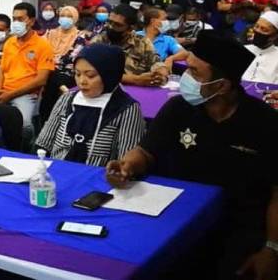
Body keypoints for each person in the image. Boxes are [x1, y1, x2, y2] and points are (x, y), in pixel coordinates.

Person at [106, 30, 278, 279]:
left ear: (221, 85)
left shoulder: (264, 122)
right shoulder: (178, 108)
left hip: (239, 226)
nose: (186, 77)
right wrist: (127, 166)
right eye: (188, 68)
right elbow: (146, 150)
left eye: (195, 72)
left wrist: (271, 249)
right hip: (178, 217)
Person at [36, 44, 146, 165]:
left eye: (90, 76)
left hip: (99, 180)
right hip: (57, 173)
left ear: (109, 76)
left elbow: (127, 163)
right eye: (77, 74)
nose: (82, 81)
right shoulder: (67, 100)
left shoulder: (127, 109)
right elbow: (43, 144)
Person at [0, 2, 54, 150]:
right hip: (3, 92)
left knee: (24, 126)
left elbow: (41, 79)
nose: (16, 23)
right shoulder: (9, 43)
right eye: (14, 19)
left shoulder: (43, 45)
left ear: (32, 21)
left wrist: (10, 94)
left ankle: (25, 152)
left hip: (26, 95)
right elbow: (2, 70)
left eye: (21, 19)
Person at [92, 4, 169, 87]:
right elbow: (94, 72)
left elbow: (156, 62)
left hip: (137, 93)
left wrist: (160, 72)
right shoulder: (99, 41)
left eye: (118, 25)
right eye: (110, 22)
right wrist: (135, 79)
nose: (111, 27)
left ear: (130, 28)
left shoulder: (142, 42)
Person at [242, 11, 278, 84]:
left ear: (274, 36)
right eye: (256, 26)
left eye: (264, 29)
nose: (257, 31)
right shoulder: (244, 49)